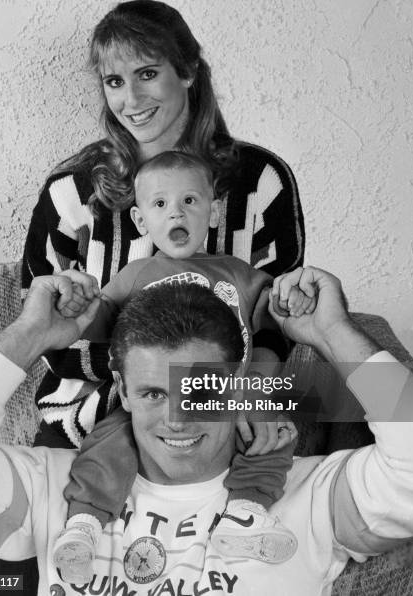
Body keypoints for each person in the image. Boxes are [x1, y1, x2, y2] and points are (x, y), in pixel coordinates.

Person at [0, 267, 413, 596]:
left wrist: (333, 331)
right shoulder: (57, 487)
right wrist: (29, 334)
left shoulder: (312, 495)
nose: (177, 419)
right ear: (124, 393)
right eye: (154, 393)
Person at [21, 0, 305, 452]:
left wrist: (252, 388)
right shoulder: (70, 189)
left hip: (219, 412)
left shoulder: (260, 180)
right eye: (115, 82)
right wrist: (144, 379)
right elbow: (42, 328)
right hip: (83, 423)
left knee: (353, 425)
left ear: (188, 70)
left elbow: (277, 317)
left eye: (147, 74)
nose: (130, 101)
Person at [53, 151, 313, 583]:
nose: (176, 211)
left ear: (212, 212)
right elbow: (98, 322)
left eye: (190, 201)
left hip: (224, 404)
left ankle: (244, 514)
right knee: (107, 442)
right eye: (160, 205)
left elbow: (275, 322)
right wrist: (77, 302)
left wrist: (292, 301)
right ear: (140, 221)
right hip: (151, 403)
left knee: (276, 434)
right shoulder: (137, 274)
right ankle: (85, 524)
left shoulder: (240, 274)